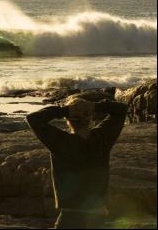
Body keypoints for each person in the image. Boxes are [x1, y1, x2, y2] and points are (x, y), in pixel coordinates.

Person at [26, 97, 127, 229]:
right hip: (96, 216)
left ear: (68, 120)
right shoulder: (102, 138)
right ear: (91, 118)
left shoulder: (61, 142)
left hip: (70, 217)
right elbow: (121, 109)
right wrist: (95, 105)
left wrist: (64, 110)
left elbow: (33, 119)